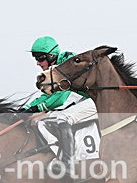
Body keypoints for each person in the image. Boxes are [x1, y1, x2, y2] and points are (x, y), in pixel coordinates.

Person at [24, 36, 97, 166]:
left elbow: (61, 97)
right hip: (84, 100)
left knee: (62, 118)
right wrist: (26, 108)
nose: (37, 63)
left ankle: (67, 163)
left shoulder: (67, 64)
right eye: (35, 58)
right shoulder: (54, 71)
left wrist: (37, 108)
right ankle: (57, 153)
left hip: (96, 100)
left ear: (51, 56)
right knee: (42, 120)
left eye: (40, 58)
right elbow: (47, 96)